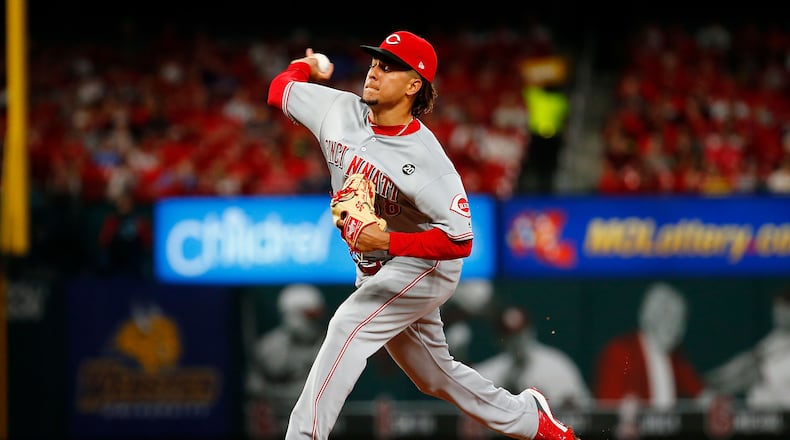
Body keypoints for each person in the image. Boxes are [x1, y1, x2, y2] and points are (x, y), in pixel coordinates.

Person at [266, 30, 579, 440]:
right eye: (375, 63)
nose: (374, 72)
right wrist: (307, 66)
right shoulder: (337, 110)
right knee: (433, 376)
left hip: (425, 263)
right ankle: (530, 419)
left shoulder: (428, 160)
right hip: (378, 266)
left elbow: (460, 241)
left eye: (388, 67)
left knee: (348, 325)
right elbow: (279, 90)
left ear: (414, 85)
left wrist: (387, 242)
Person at [593, 282, 712, 409]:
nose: (675, 326)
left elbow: (700, 393)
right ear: (649, 316)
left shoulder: (676, 359)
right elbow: (608, 405)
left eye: (680, 319)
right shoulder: (623, 353)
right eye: (667, 316)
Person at [475, 305, 593, 410]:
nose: (517, 340)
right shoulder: (488, 372)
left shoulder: (558, 365)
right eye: (511, 335)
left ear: (530, 331)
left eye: (521, 334)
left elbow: (586, 409)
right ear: (499, 338)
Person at [245, 284, 326, 413]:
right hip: (278, 416)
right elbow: (255, 389)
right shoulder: (269, 348)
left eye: (317, 316)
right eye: (310, 316)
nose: (315, 321)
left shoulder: (328, 343)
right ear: (292, 314)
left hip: (320, 414)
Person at [705, 288, 790, 408]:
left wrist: (710, 392)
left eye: (783, 310)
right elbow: (748, 359)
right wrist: (714, 377)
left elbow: (755, 376)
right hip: (760, 410)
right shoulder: (776, 338)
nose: (777, 315)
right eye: (776, 310)